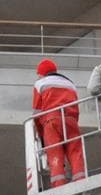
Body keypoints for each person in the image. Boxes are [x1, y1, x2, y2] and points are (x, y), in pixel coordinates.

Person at [32, 59, 85, 187]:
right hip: (71, 121)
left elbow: (37, 113)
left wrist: (41, 133)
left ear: (42, 73)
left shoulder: (40, 84)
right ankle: (81, 182)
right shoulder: (70, 84)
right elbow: (76, 110)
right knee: (75, 152)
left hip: (51, 121)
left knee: (55, 153)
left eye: (38, 73)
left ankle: (59, 184)